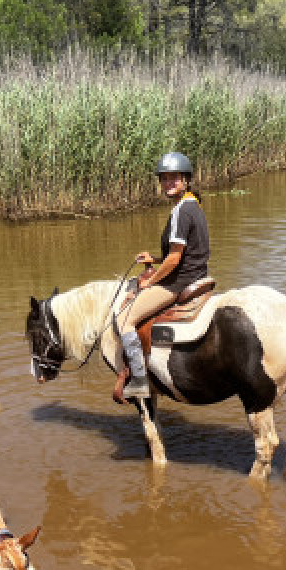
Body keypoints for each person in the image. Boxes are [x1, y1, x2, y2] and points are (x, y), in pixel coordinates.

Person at [118, 151, 210, 399]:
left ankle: (138, 380)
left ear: (186, 179)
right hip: (197, 274)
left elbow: (175, 258)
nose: (168, 183)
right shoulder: (194, 205)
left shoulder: (181, 210)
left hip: (180, 281)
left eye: (174, 178)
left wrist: (151, 279)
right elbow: (184, 252)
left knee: (124, 320)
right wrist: (154, 260)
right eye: (164, 179)